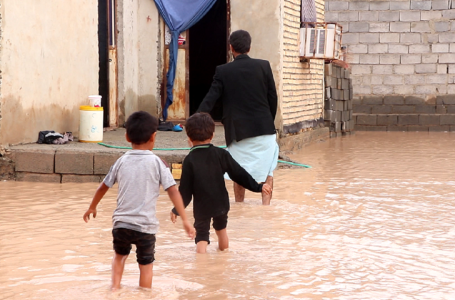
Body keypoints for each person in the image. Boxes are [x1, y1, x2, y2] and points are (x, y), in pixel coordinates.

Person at [83, 111, 195, 290]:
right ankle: (144, 294)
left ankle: (115, 289)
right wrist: (185, 220)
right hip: (145, 227)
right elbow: (173, 191)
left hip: (121, 224)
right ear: (154, 136)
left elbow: (103, 187)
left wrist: (92, 207)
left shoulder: (121, 161)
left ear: (127, 137)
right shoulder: (158, 163)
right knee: (146, 266)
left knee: (119, 257)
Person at [170, 113, 272, 253]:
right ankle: (223, 258)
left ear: (189, 138)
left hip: (202, 207)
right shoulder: (221, 154)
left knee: (202, 237)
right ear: (212, 136)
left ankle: (201, 267)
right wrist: (258, 187)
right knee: (221, 230)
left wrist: (176, 209)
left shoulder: (189, 160)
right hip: (221, 203)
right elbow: (239, 174)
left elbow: (185, 191)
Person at [197, 29, 279, 205]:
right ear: (249, 47)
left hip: (237, 134)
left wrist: (196, 120)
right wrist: (268, 121)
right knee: (267, 173)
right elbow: (273, 98)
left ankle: (239, 206)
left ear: (231, 47)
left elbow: (211, 99)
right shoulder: (264, 66)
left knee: (238, 172)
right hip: (265, 130)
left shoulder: (223, 71)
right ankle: (266, 210)